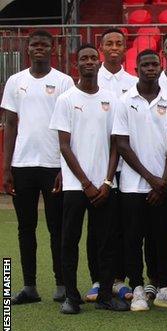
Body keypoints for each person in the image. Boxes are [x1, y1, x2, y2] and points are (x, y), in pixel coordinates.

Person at [49, 44, 128, 313]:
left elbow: (116, 143)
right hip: (75, 185)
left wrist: (106, 182)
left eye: (94, 58)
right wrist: (86, 183)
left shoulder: (112, 99)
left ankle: (105, 295)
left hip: (105, 186)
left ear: (99, 62)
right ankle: (72, 297)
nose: (89, 62)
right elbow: (64, 146)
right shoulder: (66, 99)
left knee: (107, 242)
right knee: (69, 240)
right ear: (77, 63)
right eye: (84, 58)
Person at [2, 30, 74, 305]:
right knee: (25, 227)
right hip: (22, 164)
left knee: (57, 228)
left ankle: (61, 284)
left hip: (54, 164)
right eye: (35, 45)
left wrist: (63, 166)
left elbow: (69, 126)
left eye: (45, 44)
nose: (39, 49)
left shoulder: (64, 81)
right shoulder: (15, 81)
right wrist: (7, 168)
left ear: (53, 49)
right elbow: (9, 124)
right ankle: (29, 286)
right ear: (28, 49)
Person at [112, 49, 167, 312]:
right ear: (136, 67)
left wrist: (163, 181)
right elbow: (122, 144)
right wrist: (151, 178)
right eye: (145, 64)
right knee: (133, 239)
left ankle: (165, 287)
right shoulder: (124, 101)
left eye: (155, 64)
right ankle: (138, 288)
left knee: (164, 238)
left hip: (166, 186)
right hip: (133, 185)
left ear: (161, 66)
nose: (150, 68)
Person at [88, 26, 136, 304]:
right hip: (99, 163)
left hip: (127, 165)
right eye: (110, 43)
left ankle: (119, 279)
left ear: (125, 47)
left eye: (119, 42)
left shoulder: (133, 81)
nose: (115, 47)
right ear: (102, 47)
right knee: (98, 228)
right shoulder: (91, 79)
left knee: (122, 227)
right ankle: (98, 279)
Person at [98, 28, 138, 97]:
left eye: (119, 44)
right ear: (101, 49)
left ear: (125, 49)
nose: (114, 48)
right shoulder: (91, 81)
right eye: (109, 44)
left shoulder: (134, 82)